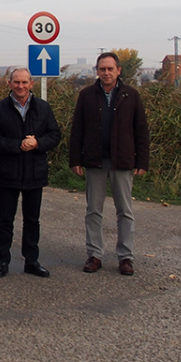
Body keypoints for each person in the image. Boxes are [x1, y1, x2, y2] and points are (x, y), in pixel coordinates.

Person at [70, 52, 150, 276]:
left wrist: (142, 160)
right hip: (95, 161)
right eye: (102, 69)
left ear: (118, 70)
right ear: (97, 71)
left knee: (125, 211)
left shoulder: (130, 95)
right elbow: (77, 129)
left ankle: (125, 257)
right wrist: (75, 159)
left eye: (110, 69)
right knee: (93, 211)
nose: (106, 73)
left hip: (122, 161)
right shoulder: (86, 95)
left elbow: (141, 130)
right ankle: (94, 255)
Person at [0, 67, 61, 279]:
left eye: (24, 82)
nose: (20, 86)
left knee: (32, 220)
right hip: (8, 174)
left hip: (35, 174)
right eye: (16, 82)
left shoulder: (43, 108)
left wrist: (37, 143)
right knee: (5, 220)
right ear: (9, 84)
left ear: (31, 84)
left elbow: (55, 135)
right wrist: (17, 145)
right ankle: (2, 260)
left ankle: (31, 260)